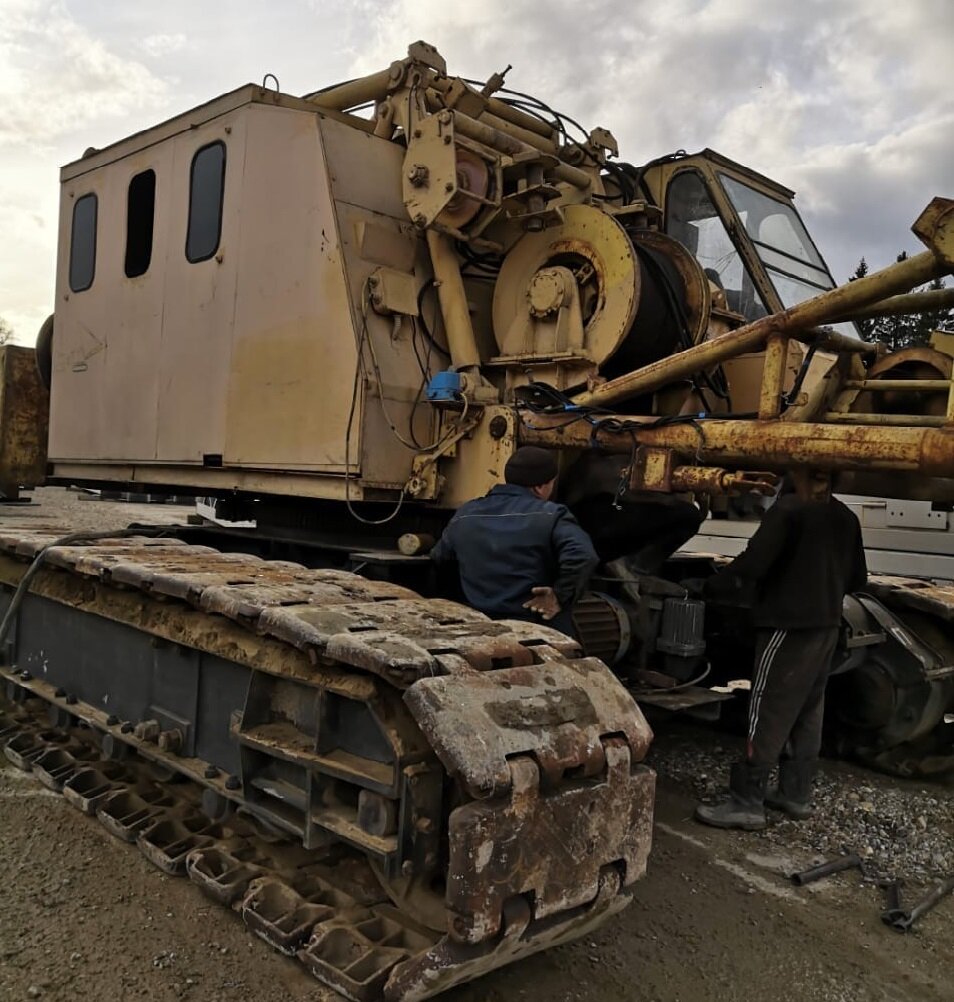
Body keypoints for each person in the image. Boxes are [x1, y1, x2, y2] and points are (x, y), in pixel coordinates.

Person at [694, 469, 868, 830]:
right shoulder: (845, 516)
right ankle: (795, 794)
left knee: (767, 707)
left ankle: (746, 802)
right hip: (827, 625)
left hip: (787, 626)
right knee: (807, 709)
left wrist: (713, 584)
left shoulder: (789, 511)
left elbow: (755, 563)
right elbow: (858, 579)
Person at [430, 446, 599, 636]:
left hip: (476, 630)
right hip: (535, 630)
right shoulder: (552, 514)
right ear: (540, 486)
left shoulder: (465, 514)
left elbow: (440, 557)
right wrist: (558, 596)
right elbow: (583, 555)